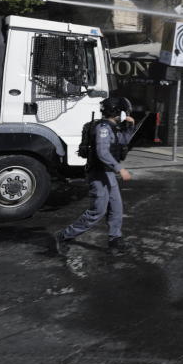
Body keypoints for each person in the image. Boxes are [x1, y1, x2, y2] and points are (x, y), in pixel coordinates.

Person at [55, 97, 136, 255]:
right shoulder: (103, 128)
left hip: (107, 174)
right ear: (118, 111)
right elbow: (102, 152)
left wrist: (130, 127)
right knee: (97, 211)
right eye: (124, 111)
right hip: (98, 174)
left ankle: (115, 241)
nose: (125, 114)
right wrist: (120, 169)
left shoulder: (113, 127)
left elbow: (123, 141)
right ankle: (63, 236)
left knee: (116, 208)